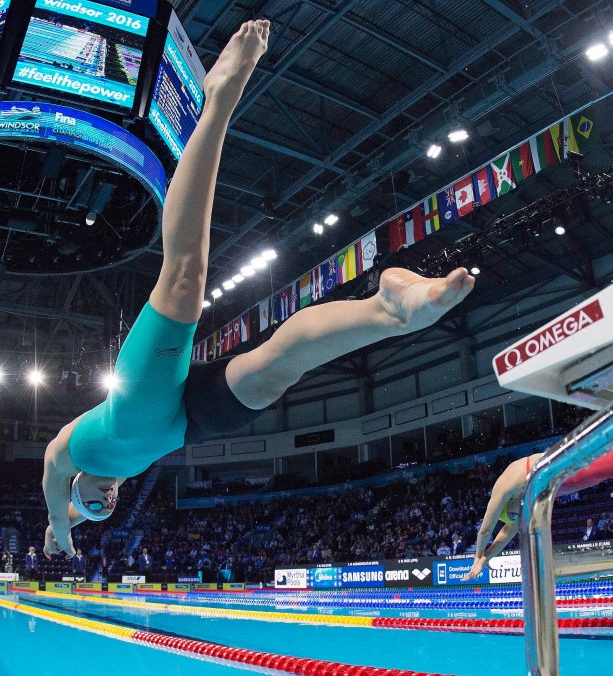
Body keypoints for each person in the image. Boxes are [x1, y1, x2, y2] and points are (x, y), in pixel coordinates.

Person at [42, 19, 476, 559]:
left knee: (184, 279)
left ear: (73, 492)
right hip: (181, 427)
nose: (105, 497)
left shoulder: (65, 453)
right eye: (107, 503)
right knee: (274, 373)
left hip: (136, 404)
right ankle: (388, 309)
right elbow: (85, 508)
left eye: (92, 502)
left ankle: (218, 101)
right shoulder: (118, 473)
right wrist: (78, 522)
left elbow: (55, 508)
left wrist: (60, 533)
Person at [463, 433, 613, 580]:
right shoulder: (524, 499)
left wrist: (477, 556)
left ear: (507, 503)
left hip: (573, 464)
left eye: (513, 514)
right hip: (578, 476)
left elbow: (485, 530)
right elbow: (506, 533)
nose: (520, 514)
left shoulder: (504, 486)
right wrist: (487, 557)